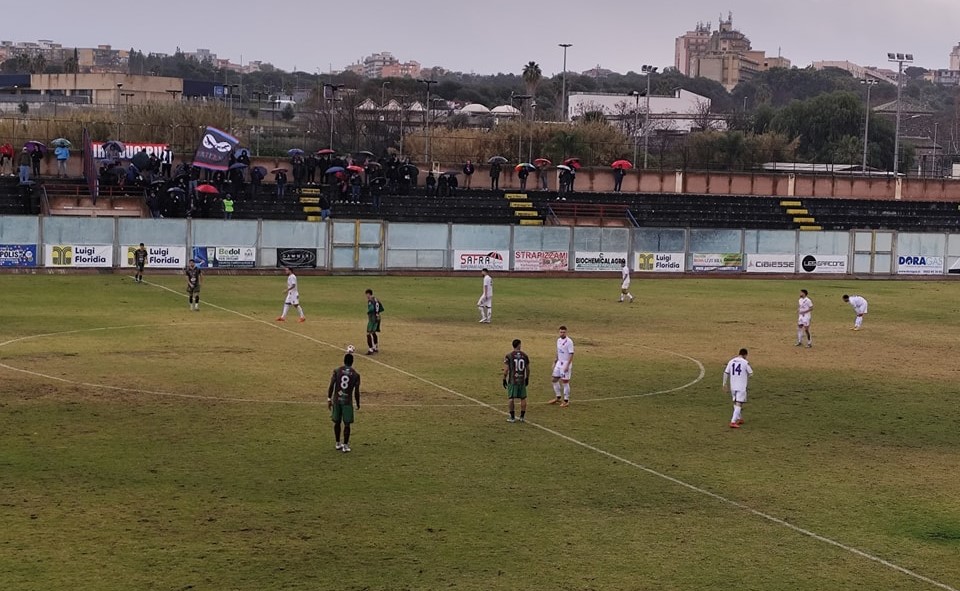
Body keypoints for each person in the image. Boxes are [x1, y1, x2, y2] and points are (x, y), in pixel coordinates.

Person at [327, 352, 361, 453]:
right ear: (352, 362)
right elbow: (357, 391)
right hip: (347, 401)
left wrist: (329, 398)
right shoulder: (355, 374)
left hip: (337, 400)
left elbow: (332, 385)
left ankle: (337, 443)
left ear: (344, 361)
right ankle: (345, 446)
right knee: (347, 424)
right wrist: (358, 403)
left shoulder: (337, 371)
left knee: (337, 422)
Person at [723, 348, 753, 429]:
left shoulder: (731, 361)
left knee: (736, 402)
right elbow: (751, 373)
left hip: (733, 386)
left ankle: (740, 419)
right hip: (741, 386)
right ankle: (733, 422)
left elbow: (726, 373)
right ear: (745, 355)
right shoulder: (745, 362)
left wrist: (724, 384)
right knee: (739, 403)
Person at [503, 338, 530, 423]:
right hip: (521, 380)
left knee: (511, 398)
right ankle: (522, 417)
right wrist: (527, 378)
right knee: (523, 398)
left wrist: (504, 378)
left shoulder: (509, 356)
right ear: (519, 345)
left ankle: (512, 417)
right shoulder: (524, 355)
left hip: (513, 380)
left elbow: (506, 370)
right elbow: (528, 369)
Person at [550, 325, 575, 407]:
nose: (562, 333)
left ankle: (566, 401)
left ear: (566, 332)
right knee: (554, 379)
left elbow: (571, 354)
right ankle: (558, 397)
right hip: (559, 363)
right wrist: (555, 361)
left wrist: (567, 365)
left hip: (565, 363)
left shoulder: (569, 342)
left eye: (563, 332)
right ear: (559, 332)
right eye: (561, 332)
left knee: (565, 382)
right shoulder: (558, 340)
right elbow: (558, 351)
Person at [365, 288, 383, 354]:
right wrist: (377, 313)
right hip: (378, 318)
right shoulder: (376, 299)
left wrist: (368, 312)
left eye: (366, 295)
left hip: (372, 318)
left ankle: (370, 349)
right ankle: (375, 347)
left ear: (368, 294)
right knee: (373, 332)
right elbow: (381, 308)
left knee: (368, 333)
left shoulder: (370, 301)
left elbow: (371, 308)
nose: (366, 296)